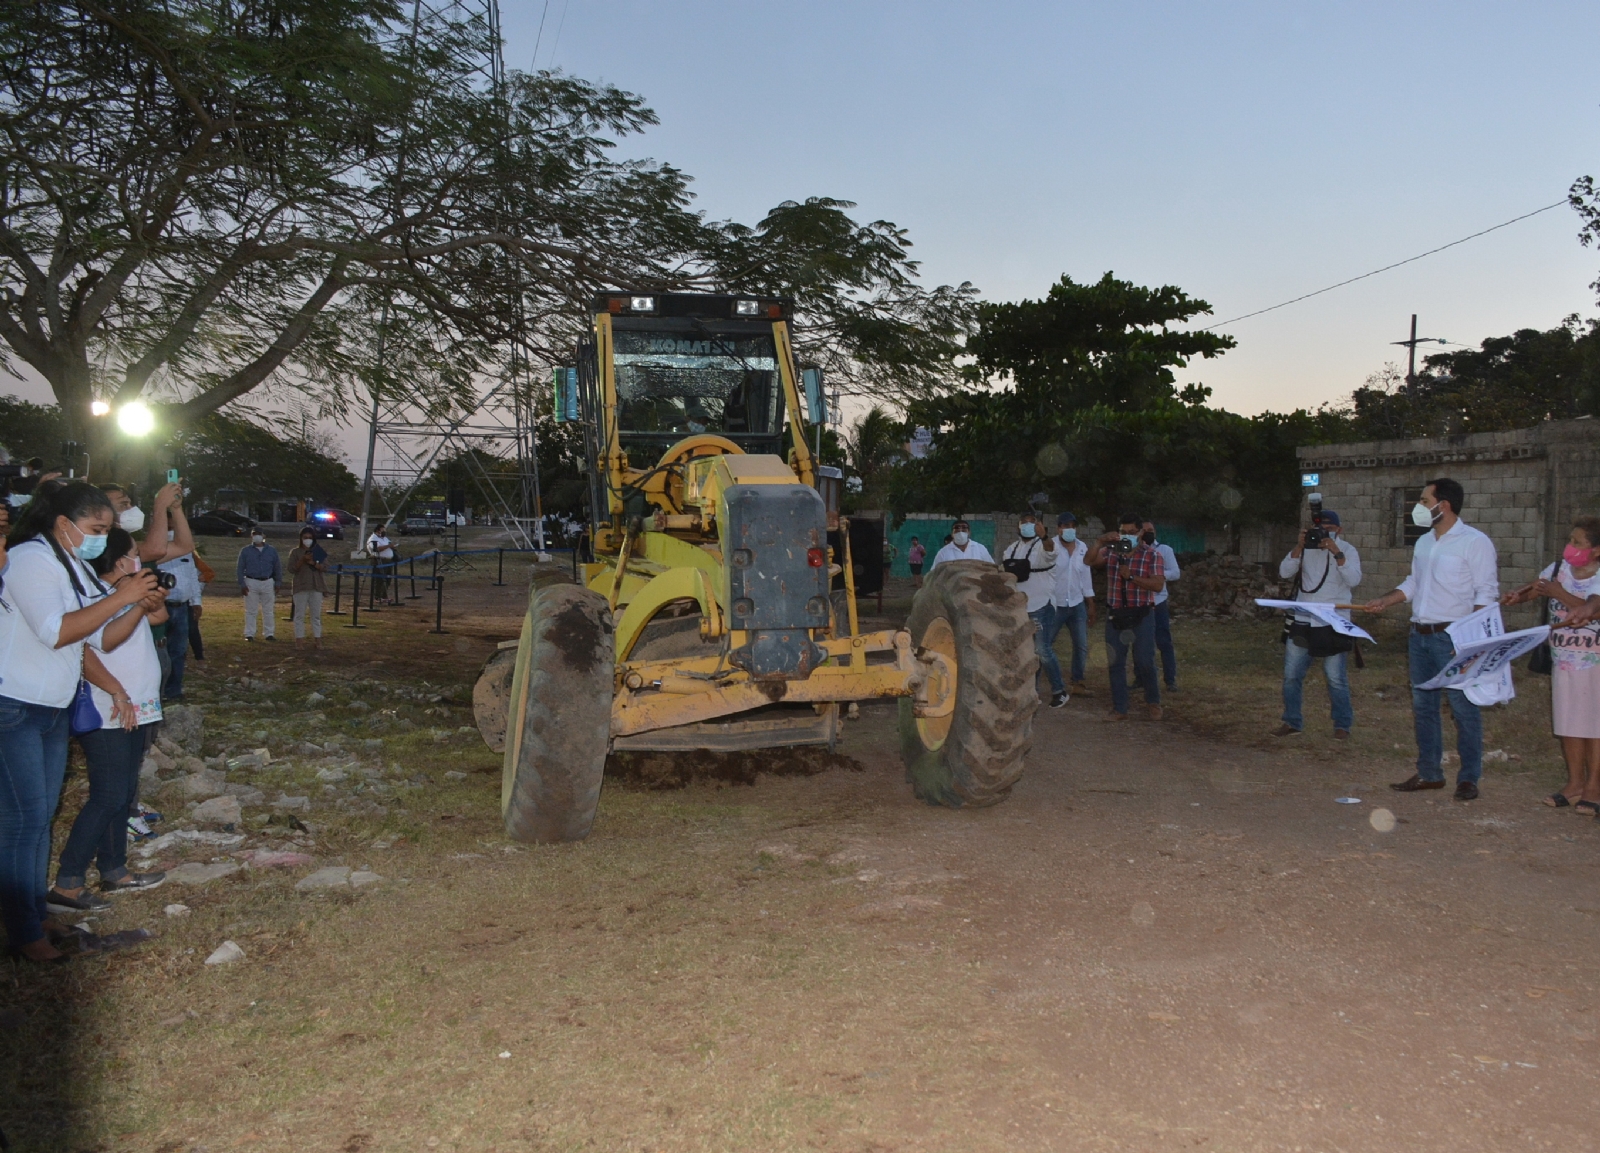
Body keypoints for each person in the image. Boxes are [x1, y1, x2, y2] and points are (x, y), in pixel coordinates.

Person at [0, 482, 159, 961]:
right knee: (22, 821)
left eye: (106, 531)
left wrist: (134, 602)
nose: (100, 540)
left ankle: (32, 912)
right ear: (64, 524)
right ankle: (23, 933)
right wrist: (123, 594)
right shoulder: (32, 559)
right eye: (95, 529)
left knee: (40, 819)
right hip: (16, 704)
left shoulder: (71, 564)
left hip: (52, 706)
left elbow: (98, 638)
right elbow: (58, 632)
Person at [49, 527, 169, 911]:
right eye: (135, 554)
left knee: (122, 792)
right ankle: (67, 884)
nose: (141, 560)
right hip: (109, 709)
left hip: (136, 708)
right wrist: (134, 602)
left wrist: (147, 599)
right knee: (108, 795)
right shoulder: (95, 598)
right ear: (120, 561)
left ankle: (115, 870)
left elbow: (157, 617)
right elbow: (100, 644)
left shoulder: (121, 595)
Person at [1363, 478, 1499, 801]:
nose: (1419, 507)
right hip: (1420, 636)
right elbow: (1413, 583)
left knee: (1463, 709)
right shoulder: (1424, 542)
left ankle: (1468, 779)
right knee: (1424, 708)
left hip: (1453, 638)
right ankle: (1429, 773)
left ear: (1444, 505)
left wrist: (1471, 638)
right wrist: (1386, 600)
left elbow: (1487, 593)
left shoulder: (1474, 543)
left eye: (1424, 501)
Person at [1502, 516, 1600, 811]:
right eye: (1569, 540)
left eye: (1577, 542)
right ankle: (1575, 784)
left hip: (1594, 662)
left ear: (1596, 550)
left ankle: (1594, 787)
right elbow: (1536, 588)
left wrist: (1561, 594)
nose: (1569, 547)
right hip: (1563, 661)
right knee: (1568, 722)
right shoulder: (1558, 570)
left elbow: (1592, 606)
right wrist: (1516, 597)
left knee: (1595, 725)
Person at [1274, 510, 1362, 740]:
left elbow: (1354, 580)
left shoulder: (1348, 550)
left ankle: (1342, 725)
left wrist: (1336, 552)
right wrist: (1300, 546)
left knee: (1335, 677)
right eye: (1319, 528)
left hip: (1334, 621)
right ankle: (1292, 721)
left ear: (1338, 530)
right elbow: (1284, 572)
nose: (1323, 532)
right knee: (1291, 675)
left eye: (1329, 528)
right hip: (1304, 620)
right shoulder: (1307, 549)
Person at [1087, 513, 1167, 721]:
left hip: (1142, 613)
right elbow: (1089, 561)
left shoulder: (1152, 555)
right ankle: (1120, 707)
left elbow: (1158, 584)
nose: (1128, 536)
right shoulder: (1113, 551)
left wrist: (1131, 577)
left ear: (1140, 533)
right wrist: (1099, 542)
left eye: (1132, 533)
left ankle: (1153, 700)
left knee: (1144, 661)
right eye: (1124, 532)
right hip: (1116, 614)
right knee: (1115, 662)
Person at [1000, 513, 1065, 708]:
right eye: (1024, 523)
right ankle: (1031, 691)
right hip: (1019, 608)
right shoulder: (1011, 549)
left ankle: (1059, 691)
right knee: (1026, 653)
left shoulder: (1043, 546)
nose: (1027, 526)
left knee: (1042, 650)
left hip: (1041, 605)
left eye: (1031, 522)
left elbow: (1051, 550)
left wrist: (1044, 536)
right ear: (1018, 526)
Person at [151, 493, 198, 698]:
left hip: (182, 606)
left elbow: (192, 576)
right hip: (161, 605)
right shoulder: (154, 547)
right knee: (157, 652)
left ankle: (173, 690)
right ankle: (157, 691)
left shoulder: (185, 549)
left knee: (178, 652)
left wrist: (196, 601)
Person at [1046, 512, 1096, 695]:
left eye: (1072, 526)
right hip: (1055, 605)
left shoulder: (1082, 547)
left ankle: (1078, 682)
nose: (1069, 530)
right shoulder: (1050, 546)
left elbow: (1085, 575)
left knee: (1081, 645)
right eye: (1065, 526)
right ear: (1058, 528)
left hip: (1076, 604)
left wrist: (1090, 602)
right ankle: (1043, 682)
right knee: (1045, 644)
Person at [1136, 521, 1182, 693]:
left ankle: (1170, 680)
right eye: (1145, 531)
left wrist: (1158, 576)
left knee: (1164, 642)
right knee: (1139, 643)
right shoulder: (1135, 551)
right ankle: (1140, 678)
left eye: (1151, 530)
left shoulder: (1165, 550)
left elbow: (1176, 572)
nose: (1148, 533)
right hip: (1140, 601)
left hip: (1158, 601)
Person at [237, 529, 282, 641]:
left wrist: (278, 582)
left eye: (259, 534)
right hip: (251, 581)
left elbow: (277, 567)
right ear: (251, 536)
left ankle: (269, 633)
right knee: (251, 610)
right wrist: (242, 584)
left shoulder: (271, 550)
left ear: (263, 536)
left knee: (268, 609)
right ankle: (249, 634)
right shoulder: (246, 551)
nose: (257, 536)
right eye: (254, 534)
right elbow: (240, 568)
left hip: (267, 581)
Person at [289, 528, 330, 648]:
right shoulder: (296, 552)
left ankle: (318, 640)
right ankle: (299, 641)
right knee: (299, 615)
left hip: (316, 586)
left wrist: (314, 563)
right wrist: (302, 560)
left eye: (310, 538)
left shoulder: (317, 551)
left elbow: (326, 567)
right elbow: (291, 569)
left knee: (316, 615)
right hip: (300, 586)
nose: (308, 540)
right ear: (301, 539)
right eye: (305, 537)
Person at [928, 520, 993, 569]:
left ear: (969, 532)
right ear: (952, 534)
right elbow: (934, 573)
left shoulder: (980, 549)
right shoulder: (943, 553)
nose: (960, 532)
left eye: (964, 529)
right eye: (957, 530)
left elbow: (992, 568)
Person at [367, 522, 398, 604]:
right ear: (378, 530)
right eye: (383, 530)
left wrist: (392, 546)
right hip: (379, 560)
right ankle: (377, 597)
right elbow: (377, 549)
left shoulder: (384, 538)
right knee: (379, 580)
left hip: (388, 561)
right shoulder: (373, 539)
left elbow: (389, 544)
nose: (384, 531)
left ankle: (383, 596)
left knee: (387, 579)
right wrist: (389, 546)